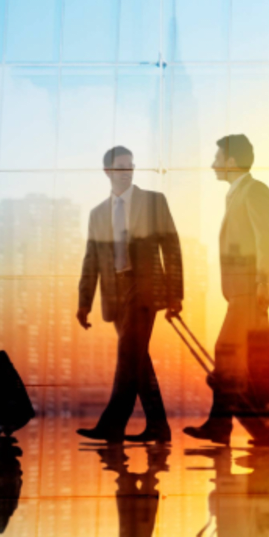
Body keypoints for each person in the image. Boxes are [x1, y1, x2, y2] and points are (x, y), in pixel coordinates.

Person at [184, 135, 269, 447]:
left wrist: (265, 282)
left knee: (226, 351)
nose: (213, 164)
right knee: (262, 364)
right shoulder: (236, 194)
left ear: (231, 162)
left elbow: (267, 238)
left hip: (250, 290)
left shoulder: (255, 190)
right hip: (241, 291)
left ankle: (220, 427)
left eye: (218, 157)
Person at [76, 146, 183, 444]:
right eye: (120, 167)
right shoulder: (98, 213)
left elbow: (171, 248)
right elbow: (91, 259)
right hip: (114, 292)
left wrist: (176, 294)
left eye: (130, 166)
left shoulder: (153, 202)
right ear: (107, 171)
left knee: (128, 354)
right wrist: (84, 302)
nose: (126, 172)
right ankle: (159, 426)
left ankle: (112, 424)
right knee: (137, 360)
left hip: (145, 287)